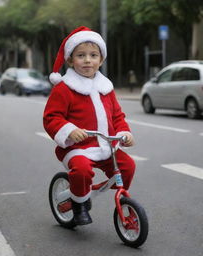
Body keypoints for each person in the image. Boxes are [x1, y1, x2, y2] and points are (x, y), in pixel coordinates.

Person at [43, 26, 135, 225]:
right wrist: (70, 130)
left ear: (101, 60)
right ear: (70, 60)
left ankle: (88, 192)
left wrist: (124, 133)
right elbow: (51, 117)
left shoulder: (106, 88)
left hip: (106, 146)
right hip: (78, 148)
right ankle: (79, 204)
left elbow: (117, 115)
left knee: (127, 166)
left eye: (93, 55)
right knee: (82, 170)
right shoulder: (64, 89)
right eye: (81, 55)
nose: (87, 60)